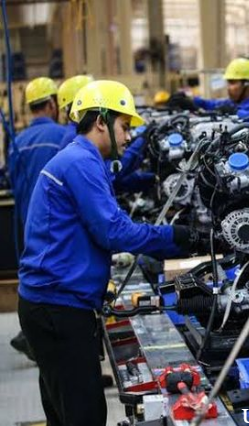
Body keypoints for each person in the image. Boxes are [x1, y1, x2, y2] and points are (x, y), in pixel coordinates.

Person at [17, 80, 201, 426]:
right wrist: (180, 236)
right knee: (84, 415)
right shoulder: (79, 163)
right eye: (124, 126)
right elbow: (113, 230)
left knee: (66, 412)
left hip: (51, 304)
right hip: (58, 309)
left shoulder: (83, 159)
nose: (129, 135)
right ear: (101, 121)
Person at [8, 77, 66, 360]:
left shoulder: (17, 141)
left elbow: (13, 182)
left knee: (33, 282)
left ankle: (33, 337)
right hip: (55, 225)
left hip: (25, 222)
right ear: (53, 103)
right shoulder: (62, 136)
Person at [58, 74, 156, 193]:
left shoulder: (78, 136)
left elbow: (115, 182)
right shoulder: (76, 138)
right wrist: (141, 142)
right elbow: (111, 173)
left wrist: (152, 178)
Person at [193, 58, 249, 124]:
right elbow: (210, 104)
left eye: (232, 82)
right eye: (228, 83)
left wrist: (235, 112)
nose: (228, 87)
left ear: (247, 84)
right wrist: (192, 101)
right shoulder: (231, 103)